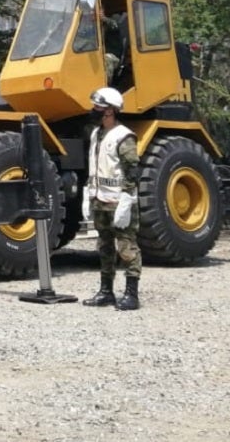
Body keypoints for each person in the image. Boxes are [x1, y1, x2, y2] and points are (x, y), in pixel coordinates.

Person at [82, 86, 142, 311]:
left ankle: (131, 295)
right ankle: (106, 292)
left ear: (110, 111)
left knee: (127, 247)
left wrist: (127, 199)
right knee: (104, 246)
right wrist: (88, 194)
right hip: (100, 199)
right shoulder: (96, 133)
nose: (94, 110)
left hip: (119, 201)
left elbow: (132, 170)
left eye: (99, 107)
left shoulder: (123, 136)